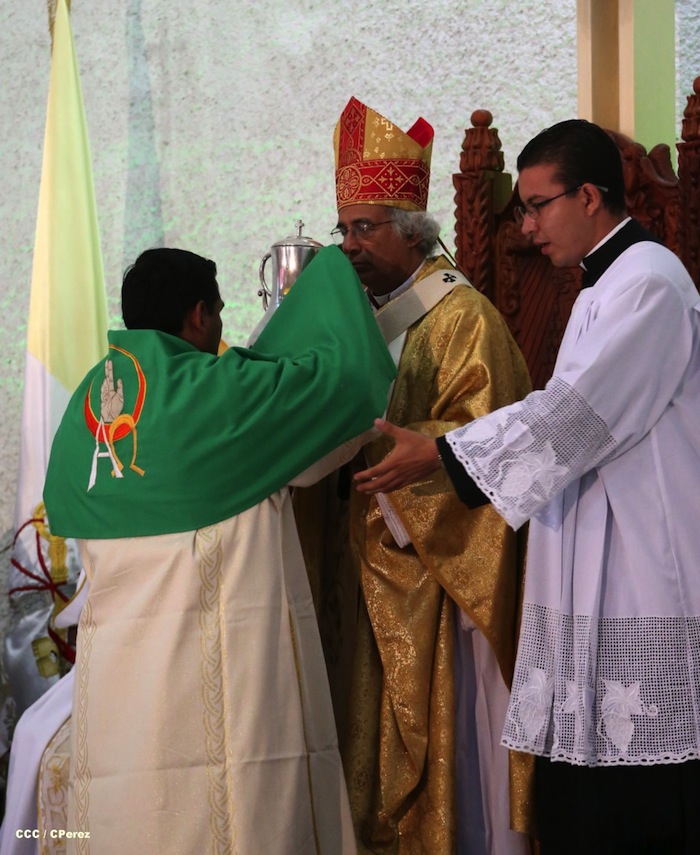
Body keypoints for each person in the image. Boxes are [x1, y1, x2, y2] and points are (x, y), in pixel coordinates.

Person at [354, 119, 700, 854]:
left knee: (636, 808)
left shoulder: (651, 286)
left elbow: (575, 417)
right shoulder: (602, 286)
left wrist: (443, 455)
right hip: (588, 562)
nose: (527, 225)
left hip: (640, 570)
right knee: (581, 798)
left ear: (589, 196)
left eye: (538, 205)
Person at [41, 245, 395, 854]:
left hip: (125, 675)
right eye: (222, 314)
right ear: (199, 316)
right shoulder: (220, 392)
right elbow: (342, 385)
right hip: (214, 662)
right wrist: (334, 273)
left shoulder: (85, 407)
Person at [296, 96, 533, 855]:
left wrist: (414, 466)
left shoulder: (464, 319)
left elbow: (497, 447)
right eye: (344, 228)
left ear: (412, 230)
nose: (349, 245)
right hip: (359, 571)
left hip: (430, 586)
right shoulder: (358, 312)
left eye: (364, 228)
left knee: (441, 766)